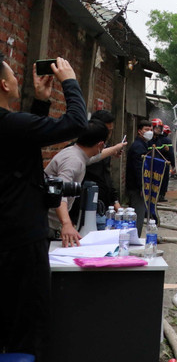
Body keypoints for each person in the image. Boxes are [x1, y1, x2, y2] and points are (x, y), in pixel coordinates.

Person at [0, 54, 87, 359]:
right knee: (28, 327)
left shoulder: (12, 127)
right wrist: (70, 82)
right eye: (12, 75)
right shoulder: (11, 124)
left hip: (7, 237)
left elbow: (24, 146)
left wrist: (41, 102)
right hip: (21, 243)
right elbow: (76, 123)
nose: (16, 79)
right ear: (3, 84)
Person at [44, 120, 111, 246]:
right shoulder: (73, 161)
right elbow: (59, 192)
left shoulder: (76, 153)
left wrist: (115, 148)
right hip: (45, 224)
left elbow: (95, 157)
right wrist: (66, 224)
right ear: (100, 144)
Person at [83, 109, 127, 215]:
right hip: (86, 205)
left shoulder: (105, 149)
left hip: (103, 206)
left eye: (111, 131)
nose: (108, 135)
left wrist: (116, 203)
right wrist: (113, 150)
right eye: (106, 131)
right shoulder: (83, 150)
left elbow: (106, 177)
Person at [126, 119, 155, 234]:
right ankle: (134, 237)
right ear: (139, 131)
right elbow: (139, 169)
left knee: (139, 213)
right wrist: (142, 186)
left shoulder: (144, 144)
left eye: (151, 129)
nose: (150, 132)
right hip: (136, 187)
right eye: (146, 129)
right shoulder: (138, 147)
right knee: (138, 214)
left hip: (137, 186)